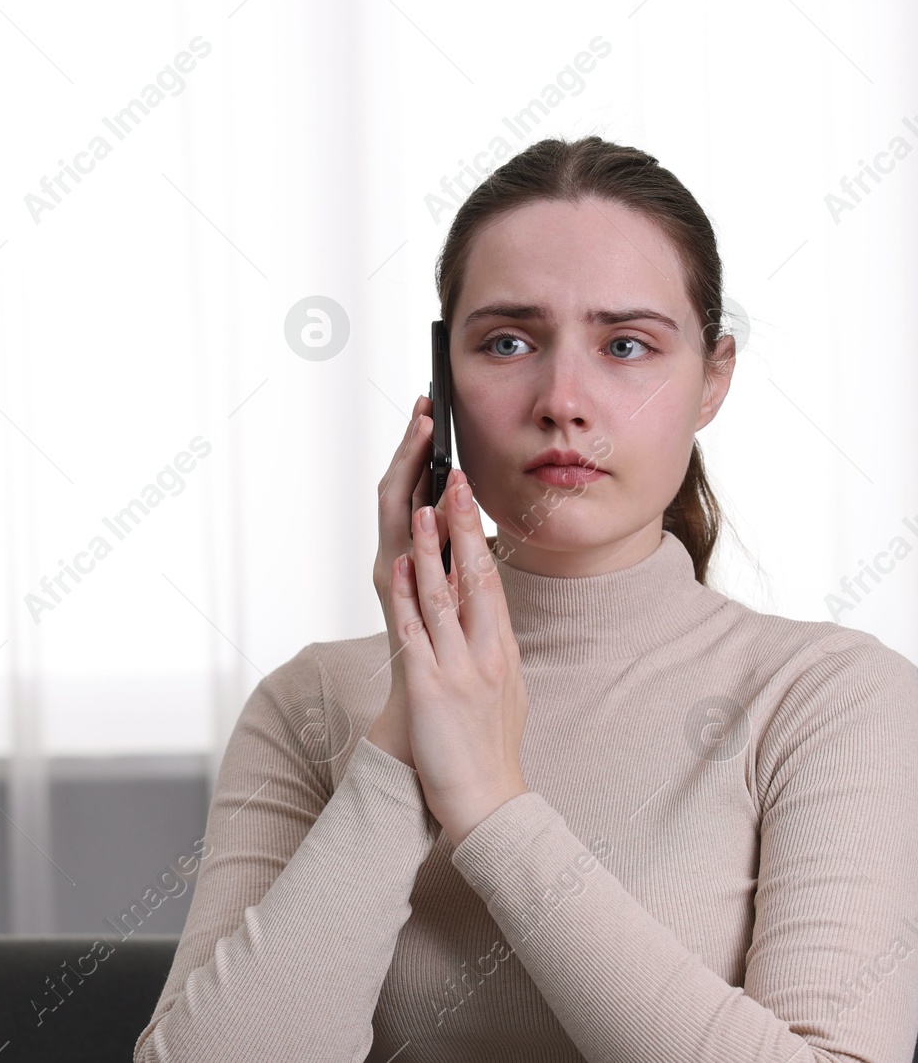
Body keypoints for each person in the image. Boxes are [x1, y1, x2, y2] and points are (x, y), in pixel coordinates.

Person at [131, 135, 918, 1063]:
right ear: (441, 390)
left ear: (713, 379)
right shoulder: (310, 704)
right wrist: (406, 730)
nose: (563, 400)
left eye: (627, 345)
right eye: (508, 342)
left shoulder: (829, 696)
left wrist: (493, 806)